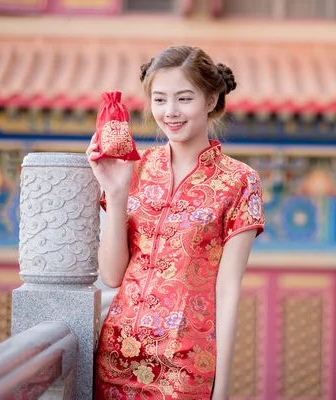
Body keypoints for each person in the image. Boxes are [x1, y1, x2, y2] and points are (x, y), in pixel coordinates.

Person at [87, 45, 265, 399]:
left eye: (184, 99)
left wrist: (223, 389)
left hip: (187, 363)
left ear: (211, 99)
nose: (170, 112)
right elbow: (111, 276)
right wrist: (117, 191)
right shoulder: (134, 168)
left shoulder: (240, 181)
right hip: (117, 356)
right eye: (160, 99)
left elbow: (228, 291)